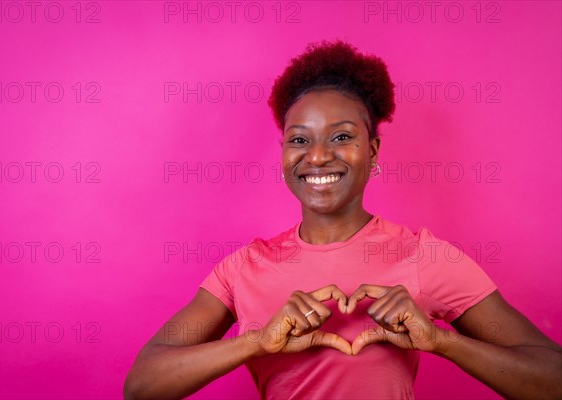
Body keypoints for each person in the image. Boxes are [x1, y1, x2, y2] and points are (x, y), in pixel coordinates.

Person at [123, 39, 562, 400]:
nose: (317, 156)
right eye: (300, 139)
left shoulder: (424, 257)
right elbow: (143, 385)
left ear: (372, 151)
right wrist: (253, 342)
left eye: (341, 136)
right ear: (283, 154)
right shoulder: (244, 268)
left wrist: (444, 342)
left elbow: (552, 377)